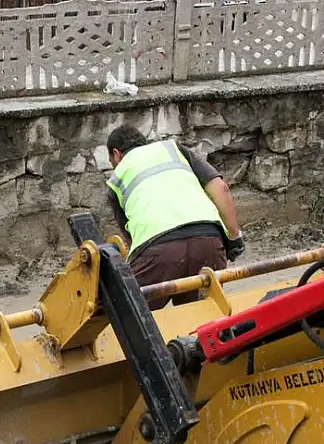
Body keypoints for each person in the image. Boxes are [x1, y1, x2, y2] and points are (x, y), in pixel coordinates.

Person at [105, 124, 245, 308]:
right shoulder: (174, 150)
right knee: (200, 317)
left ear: (116, 154)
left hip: (158, 251)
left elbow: (131, 238)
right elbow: (221, 188)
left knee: (131, 315)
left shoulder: (116, 179)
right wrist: (234, 238)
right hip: (209, 242)